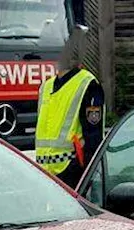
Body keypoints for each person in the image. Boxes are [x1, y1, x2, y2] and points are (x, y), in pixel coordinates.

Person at [34, 24, 104, 189]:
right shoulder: (46, 87)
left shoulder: (88, 84)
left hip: (72, 177)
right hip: (44, 176)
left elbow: (93, 139)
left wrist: (83, 177)